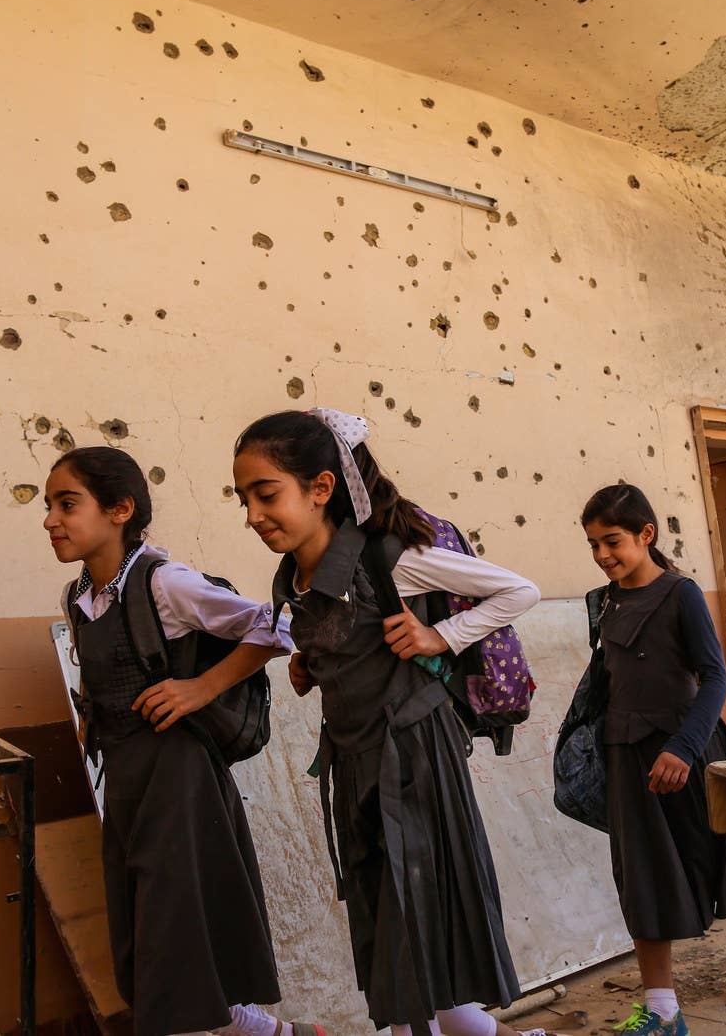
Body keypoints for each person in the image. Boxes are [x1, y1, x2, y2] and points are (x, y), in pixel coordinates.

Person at [232, 407, 545, 1036]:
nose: (253, 515)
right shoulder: (294, 576)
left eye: (266, 494)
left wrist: (441, 635)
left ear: (321, 489)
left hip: (416, 755)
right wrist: (311, 666)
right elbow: (346, 639)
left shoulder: (392, 558)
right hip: (354, 761)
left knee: (416, 912)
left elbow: (518, 590)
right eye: (243, 499)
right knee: (383, 912)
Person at [43, 446, 319, 1036]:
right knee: (145, 922)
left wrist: (201, 687)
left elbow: (279, 623)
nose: (50, 520)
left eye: (68, 504)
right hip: (125, 777)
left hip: (178, 777)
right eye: (48, 507)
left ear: (120, 509)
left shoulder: (164, 583)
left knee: (174, 926)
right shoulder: (79, 598)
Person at [580, 485, 726, 1036]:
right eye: (593, 545)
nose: (604, 555)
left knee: (720, 855)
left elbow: (715, 676)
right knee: (643, 875)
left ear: (646, 534)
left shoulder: (682, 594)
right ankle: (662, 1010)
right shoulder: (602, 600)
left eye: (613, 541)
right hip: (628, 756)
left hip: (689, 748)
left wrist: (682, 747)